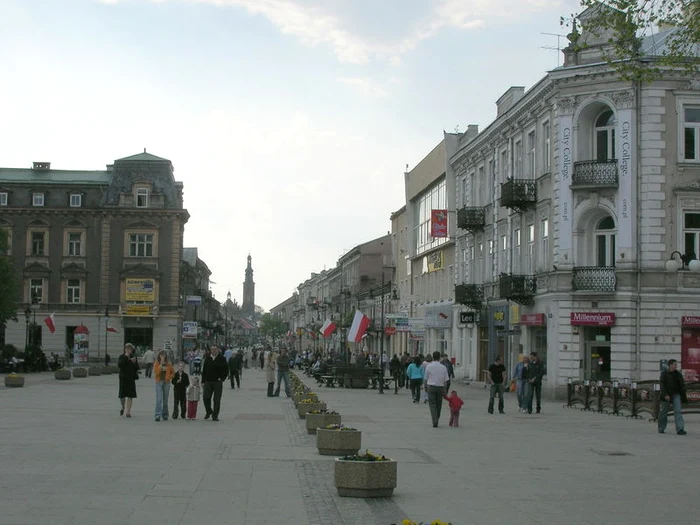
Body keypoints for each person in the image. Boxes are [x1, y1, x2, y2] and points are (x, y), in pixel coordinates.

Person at [658, 359, 688, 435]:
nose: (676, 366)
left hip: (676, 394)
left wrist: (683, 394)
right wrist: (665, 395)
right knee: (663, 412)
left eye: (676, 364)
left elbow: (682, 384)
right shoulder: (664, 374)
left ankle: (680, 429)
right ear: (670, 365)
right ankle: (661, 428)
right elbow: (662, 385)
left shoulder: (678, 374)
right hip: (666, 395)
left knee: (678, 411)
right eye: (675, 364)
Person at [201, 345, 228, 421]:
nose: (213, 351)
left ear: (218, 350)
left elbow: (226, 369)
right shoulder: (208, 358)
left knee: (216, 399)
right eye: (212, 349)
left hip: (217, 382)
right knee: (206, 398)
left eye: (215, 349)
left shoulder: (222, 358)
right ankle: (209, 411)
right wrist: (203, 381)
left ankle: (215, 415)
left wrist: (222, 379)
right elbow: (204, 370)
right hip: (208, 381)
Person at [424, 351, 450, 427]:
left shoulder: (429, 366)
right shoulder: (443, 367)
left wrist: (425, 387)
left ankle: (434, 420)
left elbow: (425, 378)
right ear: (439, 358)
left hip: (431, 387)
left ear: (433, 357)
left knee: (432, 404)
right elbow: (446, 381)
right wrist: (445, 390)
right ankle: (437, 418)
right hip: (440, 387)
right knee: (439, 405)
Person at [117, 343, 139, 418]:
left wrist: (134, 362)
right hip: (123, 378)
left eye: (130, 349)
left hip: (131, 379)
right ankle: (123, 406)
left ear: (132, 350)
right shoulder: (122, 356)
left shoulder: (134, 357)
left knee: (130, 395)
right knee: (122, 396)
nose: (128, 350)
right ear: (124, 349)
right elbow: (120, 365)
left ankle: (128, 412)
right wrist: (126, 357)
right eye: (127, 348)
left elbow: (137, 368)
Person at [153, 350, 174, 422]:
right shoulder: (156, 363)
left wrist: (169, 377)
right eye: (161, 355)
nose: (162, 356)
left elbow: (173, 373)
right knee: (159, 399)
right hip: (159, 382)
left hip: (166, 382)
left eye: (164, 355)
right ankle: (157, 415)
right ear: (159, 356)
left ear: (166, 356)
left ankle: (165, 414)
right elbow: (157, 373)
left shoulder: (169, 364)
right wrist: (161, 365)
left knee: (165, 400)